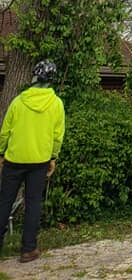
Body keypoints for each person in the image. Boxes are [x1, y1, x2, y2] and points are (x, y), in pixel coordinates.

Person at [0, 60, 65, 263]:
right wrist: (53, 158)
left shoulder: (18, 102)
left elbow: (5, 131)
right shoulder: (56, 104)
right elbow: (57, 136)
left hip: (15, 158)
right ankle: (28, 249)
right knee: (33, 203)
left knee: (4, 202)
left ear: (34, 76)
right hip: (40, 161)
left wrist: (1, 152)